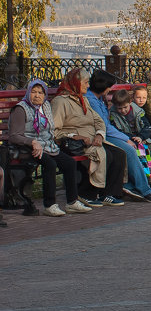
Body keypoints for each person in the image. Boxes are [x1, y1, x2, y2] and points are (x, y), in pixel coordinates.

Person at [8, 80, 93, 217]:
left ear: (45, 95)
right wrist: (32, 142)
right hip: (25, 147)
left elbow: (50, 130)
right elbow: (14, 136)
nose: (37, 96)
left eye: (40, 92)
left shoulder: (46, 106)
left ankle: (72, 202)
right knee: (50, 164)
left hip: (47, 145)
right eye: (33, 92)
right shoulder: (21, 109)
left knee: (69, 163)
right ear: (28, 92)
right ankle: (50, 205)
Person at [51, 68, 126, 206]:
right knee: (104, 155)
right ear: (75, 83)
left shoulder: (83, 100)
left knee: (119, 154)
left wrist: (99, 134)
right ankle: (86, 193)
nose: (88, 85)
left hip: (91, 140)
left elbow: (98, 121)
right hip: (74, 143)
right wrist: (74, 136)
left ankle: (108, 193)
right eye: (85, 83)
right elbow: (55, 129)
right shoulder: (61, 102)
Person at [86, 70, 151, 202]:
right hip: (101, 134)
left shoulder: (99, 98)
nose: (110, 90)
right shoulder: (91, 100)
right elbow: (105, 126)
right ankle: (144, 189)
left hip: (108, 132)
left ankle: (149, 184)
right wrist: (126, 139)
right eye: (109, 87)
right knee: (130, 150)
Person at [109, 88, 151, 195]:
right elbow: (118, 131)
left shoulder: (139, 111)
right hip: (129, 141)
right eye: (119, 108)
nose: (123, 111)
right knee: (139, 161)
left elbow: (147, 127)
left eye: (125, 107)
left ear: (130, 102)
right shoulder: (113, 114)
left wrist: (141, 137)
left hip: (143, 140)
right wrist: (132, 138)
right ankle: (139, 186)